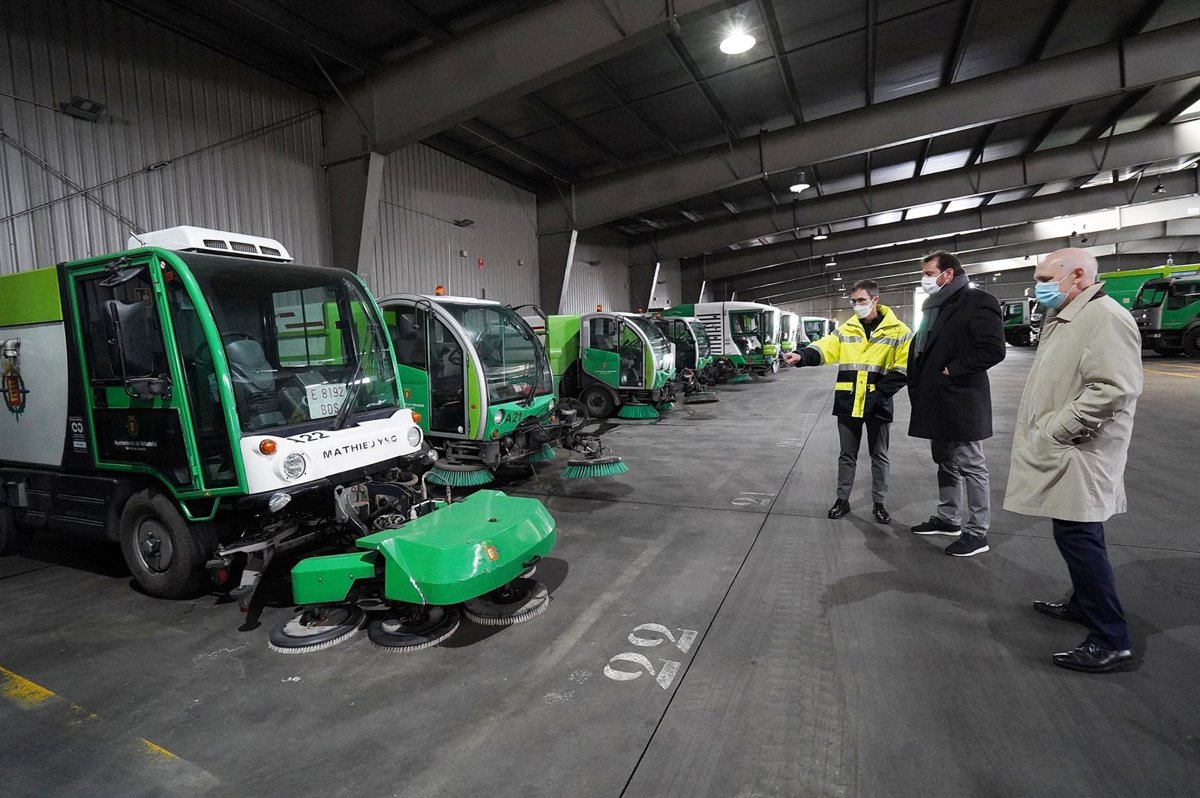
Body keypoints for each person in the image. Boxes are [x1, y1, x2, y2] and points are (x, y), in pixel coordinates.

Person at [1004, 248, 1142, 673]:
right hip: (1071, 448)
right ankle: (1083, 604)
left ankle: (1111, 639)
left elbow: (1115, 388)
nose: (1038, 287)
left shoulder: (1105, 318)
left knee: (1079, 536)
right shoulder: (1068, 315)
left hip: (1082, 450)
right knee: (1075, 531)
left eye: (1045, 278)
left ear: (1077, 275)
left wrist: (1060, 428)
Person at [784, 279, 911, 523]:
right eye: (853, 301)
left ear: (875, 300)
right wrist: (801, 355)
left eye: (861, 300)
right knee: (846, 455)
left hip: (877, 402)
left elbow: (904, 367)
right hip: (848, 402)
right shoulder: (847, 329)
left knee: (879, 456)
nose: (856, 305)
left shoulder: (899, 331)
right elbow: (825, 347)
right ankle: (842, 500)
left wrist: (880, 393)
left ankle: (879, 503)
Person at [906, 251, 1006, 556]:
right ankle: (949, 518)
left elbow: (993, 349)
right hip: (936, 398)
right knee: (945, 461)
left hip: (961, 398)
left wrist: (953, 369)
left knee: (971, 464)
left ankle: (977, 532)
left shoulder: (978, 301)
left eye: (928, 273)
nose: (924, 279)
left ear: (947, 274)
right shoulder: (935, 305)